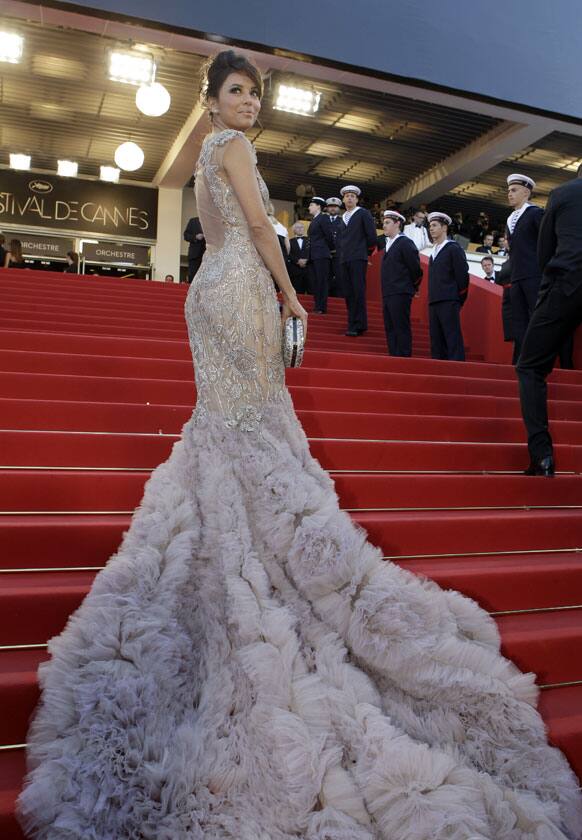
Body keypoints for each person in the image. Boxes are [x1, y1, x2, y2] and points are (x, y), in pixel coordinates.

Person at [18, 49, 582, 840]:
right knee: (251, 428)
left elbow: (216, 231)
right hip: (244, 289)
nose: (250, 104)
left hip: (208, 292)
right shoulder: (236, 149)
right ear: (210, 100)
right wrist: (290, 294)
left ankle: (233, 554)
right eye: (237, 92)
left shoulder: (211, 151)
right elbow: (253, 225)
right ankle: (261, 565)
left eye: (256, 93)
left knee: (231, 430)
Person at [517, 166, 582, 478]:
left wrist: (548, 289)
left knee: (530, 367)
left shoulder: (564, 192)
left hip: (565, 285)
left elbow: (544, 252)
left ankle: (542, 456)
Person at [505, 173, 544, 363]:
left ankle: (536, 358)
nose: (509, 194)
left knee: (535, 318)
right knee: (518, 321)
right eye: (509, 190)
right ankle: (520, 359)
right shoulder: (510, 218)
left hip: (533, 274)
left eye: (514, 190)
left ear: (526, 192)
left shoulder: (536, 213)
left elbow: (546, 243)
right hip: (517, 276)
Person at [427, 211, 469, 360]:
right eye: (430, 225)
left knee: (452, 338)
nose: (431, 228)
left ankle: (457, 369)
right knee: (436, 341)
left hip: (449, 299)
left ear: (444, 228)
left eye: (434, 225)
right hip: (434, 301)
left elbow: (462, 275)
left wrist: (459, 298)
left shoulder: (453, 248)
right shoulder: (433, 251)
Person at [380, 210, 422, 357]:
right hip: (388, 293)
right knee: (390, 327)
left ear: (397, 223)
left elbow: (415, 268)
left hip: (400, 292)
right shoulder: (389, 244)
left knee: (400, 326)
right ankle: (394, 355)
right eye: (383, 222)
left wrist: (413, 287)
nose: (383, 226)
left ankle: (403, 357)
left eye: (387, 223)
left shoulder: (405, 243)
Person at [337, 184, 377, 336]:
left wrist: (364, 254)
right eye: (347, 196)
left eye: (352, 196)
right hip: (344, 259)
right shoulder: (343, 217)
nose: (349, 198)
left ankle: (359, 324)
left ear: (357, 199)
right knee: (348, 292)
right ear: (343, 199)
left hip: (358, 258)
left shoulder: (363, 213)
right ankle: (351, 323)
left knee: (358, 290)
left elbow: (371, 236)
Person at [307, 196, 333, 313]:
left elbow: (329, 236)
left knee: (321, 281)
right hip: (314, 255)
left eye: (311, 205)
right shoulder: (315, 219)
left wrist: (324, 248)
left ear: (318, 206)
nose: (309, 207)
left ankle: (321, 307)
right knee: (315, 281)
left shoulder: (323, 218)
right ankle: (317, 306)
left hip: (321, 254)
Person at [325, 196, 343, 296]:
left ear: (339, 208)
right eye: (330, 206)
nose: (333, 208)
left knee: (340, 277)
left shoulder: (343, 221)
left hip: (338, 254)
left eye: (335, 206)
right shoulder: (323, 220)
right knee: (325, 277)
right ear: (327, 208)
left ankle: (339, 299)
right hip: (325, 254)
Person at [288, 220, 310, 294]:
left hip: (308, 270)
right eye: (298, 227)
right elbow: (288, 254)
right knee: (298, 293)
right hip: (295, 271)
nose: (300, 229)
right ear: (294, 230)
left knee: (311, 292)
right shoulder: (289, 241)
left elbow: (312, 251)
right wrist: (297, 261)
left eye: (301, 227)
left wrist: (307, 260)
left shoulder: (309, 240)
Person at [183, 216, 206, 283]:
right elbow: (186, 235)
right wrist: (195, 237)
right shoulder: (193, 221)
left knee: (204, 278)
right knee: (192, 276)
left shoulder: (210, 221)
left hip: (207, 254)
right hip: (194, 254)